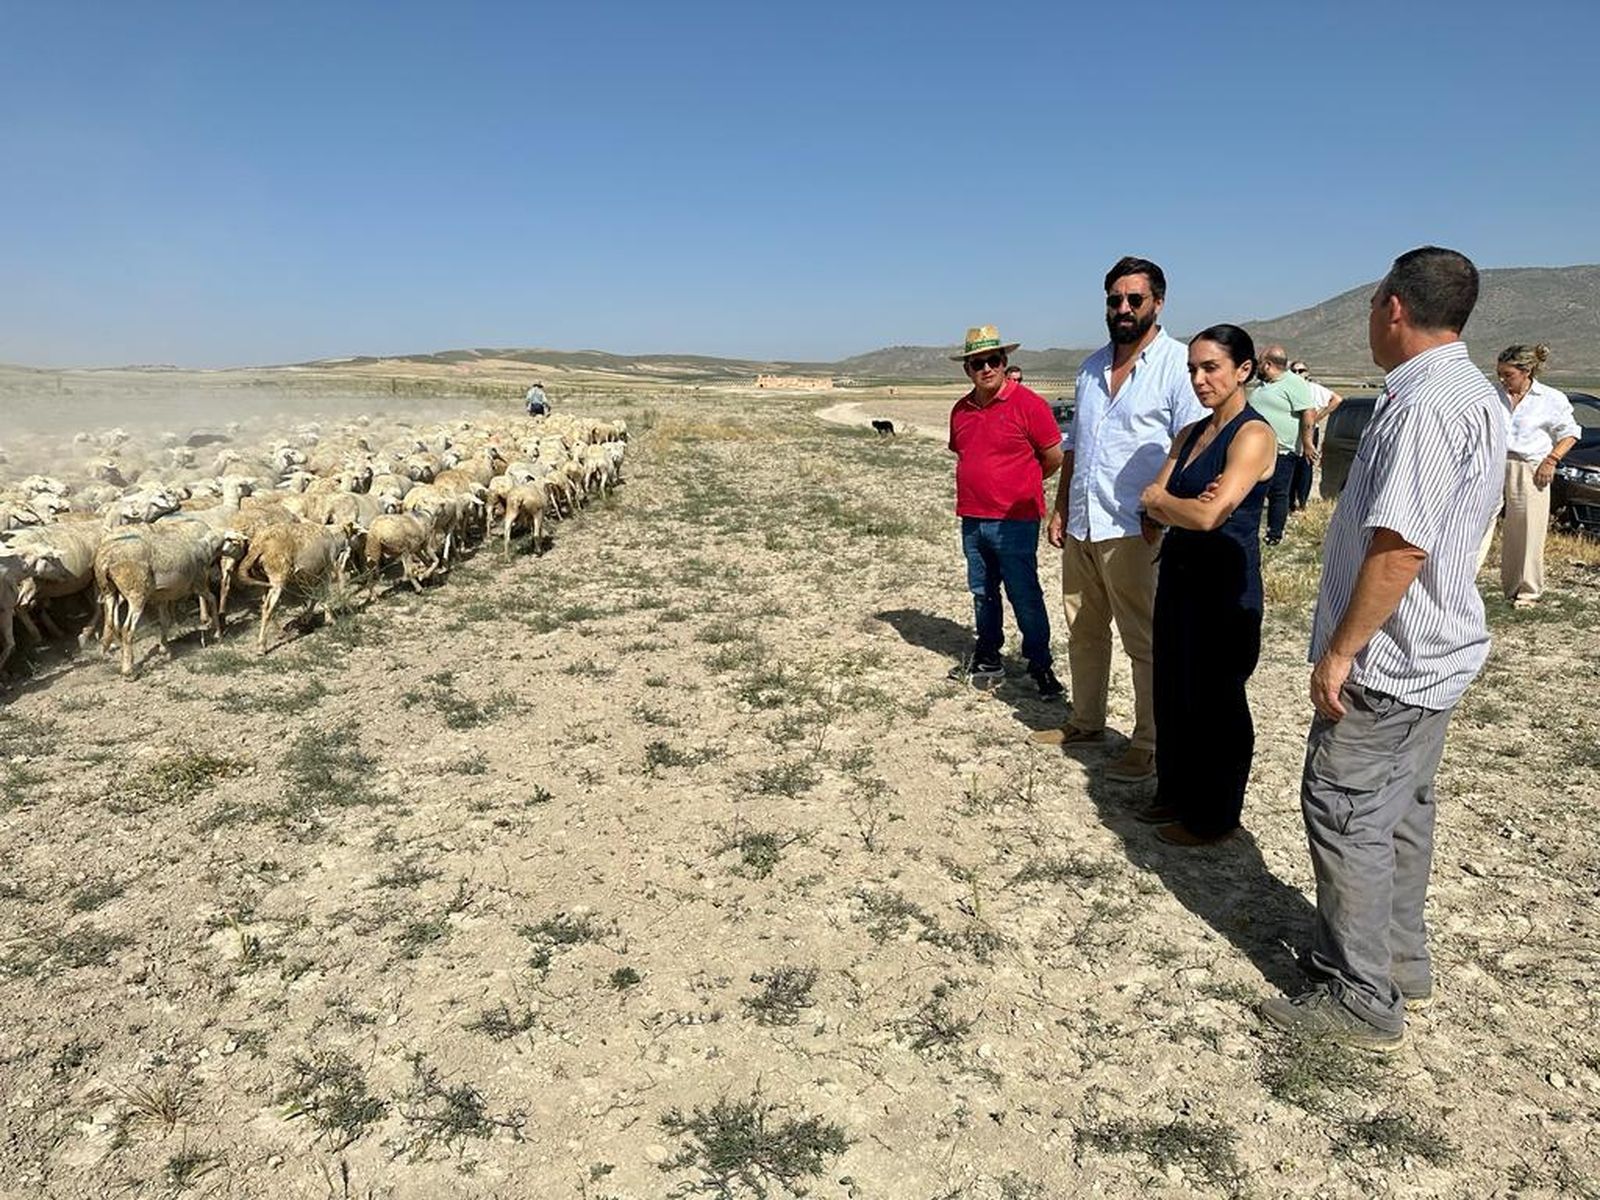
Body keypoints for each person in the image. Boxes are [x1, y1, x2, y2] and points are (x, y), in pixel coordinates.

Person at [1261, 246, 1505, 1051]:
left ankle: (1361, 995)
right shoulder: (1470, 391)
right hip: (1435, 653)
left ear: (1393, 307)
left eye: (1371, 304)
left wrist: (1340, 651)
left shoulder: (1426, 404)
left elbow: (1402, 547)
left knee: (1345, 810)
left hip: (1393, 660)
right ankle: (1399, 956)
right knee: (1401, 811)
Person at [1032, 256, 1206, 783]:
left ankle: (1148, 743)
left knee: (1144, 641)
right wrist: (1061, 507)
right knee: (1084, 629)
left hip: (1136, 529)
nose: (1124, 308)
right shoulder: (1089, 369)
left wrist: (1163, 511)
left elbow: (1194, 448)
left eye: (1135, 299)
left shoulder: (1178, 366)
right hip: (1085, 522)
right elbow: (1078, 448)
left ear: (1158, 302)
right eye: (1115, 300)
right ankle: (1086, 721)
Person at [1135, 325, 1276, 846]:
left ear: (1244, 370)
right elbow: (1161, 498)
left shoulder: (1253, 434)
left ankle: (1214, 817)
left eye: (1210, 367)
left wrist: (1169, 504)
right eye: (1192, 368)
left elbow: (1209, 514)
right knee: (1172, 689)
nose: (1198, 378)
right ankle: (1174, 793)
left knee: (1217, 702)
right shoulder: (1191, 434)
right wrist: (1171, 505)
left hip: (1224, 589)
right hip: (1178, 577)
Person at [946, 325, 1065, 698]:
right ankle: (988, 655)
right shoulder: (960, 411)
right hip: (973, 518)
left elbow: (1053, 457)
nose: (986, 368)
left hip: (1015, 521)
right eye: (977, 362)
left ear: (1005, 362)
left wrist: (1025, 484)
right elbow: (967, 455)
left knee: (1024, 593)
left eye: (993, 361)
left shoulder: (1029, 405)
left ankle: (1040, 664)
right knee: (982, 592)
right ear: (967, 369)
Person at [1489, 344, 1580, 607]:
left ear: (1526, 371)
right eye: (1499, 374)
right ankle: (1469, 584)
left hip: (1529, 467)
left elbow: (1570, 432)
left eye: (1508, 375)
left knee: (1528, 530)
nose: (1502, 380)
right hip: (1493, 464)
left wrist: (1551, 460)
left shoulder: (1551, 398)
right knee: (1480, 525)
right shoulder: (1492, 394)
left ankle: (1526, 591)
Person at [1248, 346, 1316, 543]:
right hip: (1256, 449)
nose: (1256, 367)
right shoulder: (1263, 385)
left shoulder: (1294, 383)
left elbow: (1308, 413)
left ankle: (1274, 534)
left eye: (1259, 363)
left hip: (1282, 451)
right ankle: (1251, 530)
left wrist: (1307, 443)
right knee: (1253, 490)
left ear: (1268, 365)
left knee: (1278, 492)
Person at [1288, 361, 1343, 511]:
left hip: (1311, 430)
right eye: (1294, 371)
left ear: (1307, 373)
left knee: (1306, 465)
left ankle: (1302, 502)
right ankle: (1289, 502)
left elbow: (1337, 399)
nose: (1298, 374)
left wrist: (1318, 417)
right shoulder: (1288, 389)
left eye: (1301, 371)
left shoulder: (1314, 389)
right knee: (1289, 464)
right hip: (1291, 430)